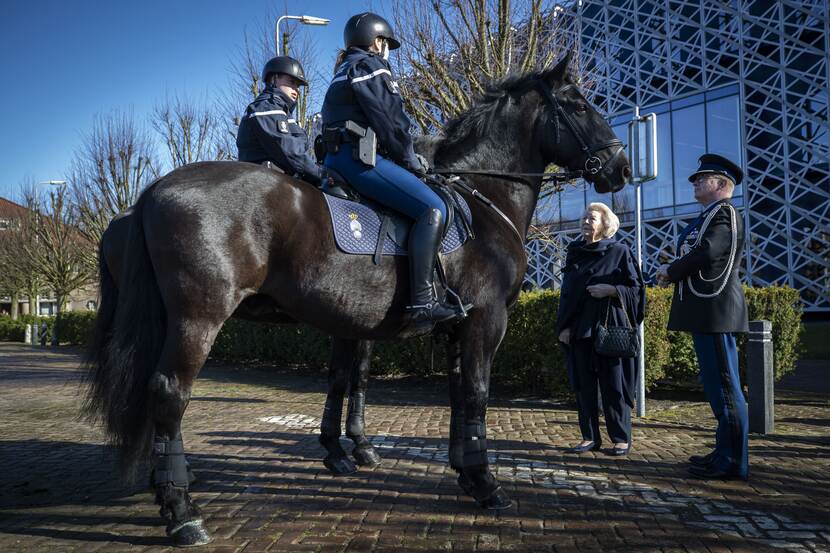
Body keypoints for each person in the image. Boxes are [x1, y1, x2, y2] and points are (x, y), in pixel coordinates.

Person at [320, 12, 466, 328]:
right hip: (360, 161)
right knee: (434, 207)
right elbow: (391, 121)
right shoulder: (372, 66)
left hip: (335, 159)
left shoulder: (343, 69)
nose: (387, 50)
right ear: (378, 41)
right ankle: (423, 302)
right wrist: (410, 160)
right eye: (387, 44)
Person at [656, 153, 749, 480]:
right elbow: (703, 253)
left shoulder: (725, 213)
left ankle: (733, 461)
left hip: (716, 311)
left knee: (725, 386)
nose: (695, 182)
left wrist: (672, 269)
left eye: (701, 178)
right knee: (717, 386)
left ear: (722, 184)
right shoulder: (713, 214)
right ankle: (723, 452)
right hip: (708, 312)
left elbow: (708, 252)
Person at [556, 202, 645, 456]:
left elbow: (637, 289)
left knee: (614, 384)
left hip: (610, 327)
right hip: (580, 329)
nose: (586, 221)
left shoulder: (620, 252)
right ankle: (589, 437)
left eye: (592, 218)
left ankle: (620, 437)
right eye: (584, 217)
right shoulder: (575, 252)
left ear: (605, 224)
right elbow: (567, 294)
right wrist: (564, 327)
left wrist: (612, 290)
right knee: (584, 386)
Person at [237, 56, 323, 185]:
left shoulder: (282, 112)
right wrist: (321, 174)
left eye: (298, 86)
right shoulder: (266, 107)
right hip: (265, 182)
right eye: (291, 82)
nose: (296, 90)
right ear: (274, 79)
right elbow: (290, 151)